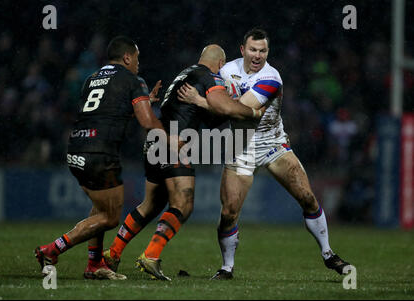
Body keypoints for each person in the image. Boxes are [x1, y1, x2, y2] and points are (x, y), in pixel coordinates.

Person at [177, 28, 351, 280]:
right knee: (228, 212)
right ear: (242, 50)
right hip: (240, 147)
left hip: (273, 145)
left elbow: (240, 110)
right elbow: (213, 101)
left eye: (262, 50)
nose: (257, 55)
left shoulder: (272, 78)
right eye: (253, 50)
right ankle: (227, 268)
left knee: (307, 198)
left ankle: (328, 253)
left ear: (267, 52)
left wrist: (200, 100)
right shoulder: (226, 71)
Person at [103, 44, 264, 280]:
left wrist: (202, 103)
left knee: (150, 206)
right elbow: (225, 107)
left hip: (155, 142)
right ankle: (151, 255)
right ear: (220, 64)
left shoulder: (186, 74)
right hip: (174, 145)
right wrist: (252, 112)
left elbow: (209, 118)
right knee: (184, 204)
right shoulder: (206, 76)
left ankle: (113, 253)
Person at [34, 36, 166, 280]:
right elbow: (147, 122)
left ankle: (94, 264)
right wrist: (169, 138)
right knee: (110, 217)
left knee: (100, 207)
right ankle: (51, 250)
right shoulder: (133, 80)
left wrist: (143, 103)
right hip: (100, 152)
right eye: (136, 58)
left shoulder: (91, 79)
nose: (138, 63)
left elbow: (105, 110)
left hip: (76, 148)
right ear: (127, 57)